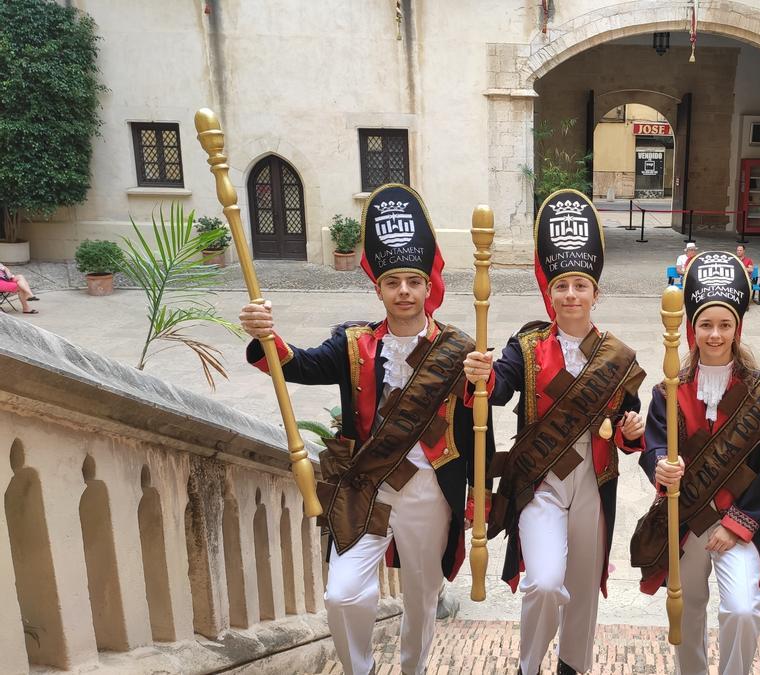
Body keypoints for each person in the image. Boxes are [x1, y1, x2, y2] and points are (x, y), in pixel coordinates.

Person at [238, 184, 491, 675]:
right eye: (392, 281)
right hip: (367, 489)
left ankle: (412, 669)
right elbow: (298, 365)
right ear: (378, 289)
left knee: (421, 597)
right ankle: (361, 670)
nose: (403, 291)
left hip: (430, 494)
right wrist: (266, 335)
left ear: (427, 288)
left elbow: (482, 424)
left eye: (412, 281)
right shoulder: (353, 344)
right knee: (343, 592)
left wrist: (479, 494)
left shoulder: (461, 350)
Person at [463, 189, 647, 675]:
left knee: (584, 589)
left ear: (595, 294)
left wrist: (632, 430)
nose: (570, 295)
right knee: (544, 582)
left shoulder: (617, 356)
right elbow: (498, 388)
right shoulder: (525, 347)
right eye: (562, 285)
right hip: (540, 481)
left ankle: (573, 668)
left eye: (580, 286)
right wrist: (480, 375)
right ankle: (529, 666)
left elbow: (631, 427)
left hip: (594, 481)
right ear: (551, 292)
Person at [630, 250, 760, 675]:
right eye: (706, 324)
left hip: (738, 524)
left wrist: (738, 522)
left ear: (737, 329)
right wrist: (658, 467)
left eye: (725, 325)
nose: (715, 334)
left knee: (743, 610)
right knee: (688, 611)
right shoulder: (669, 391)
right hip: (686, 518)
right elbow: (653, 445)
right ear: (692, 328)